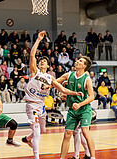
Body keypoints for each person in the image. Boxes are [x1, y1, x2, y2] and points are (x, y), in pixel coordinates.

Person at [21, 31, 82, 159]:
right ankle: (36, 157)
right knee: (37, 132)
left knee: (42, 131)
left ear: (48, 66)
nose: (42, 62)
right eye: (41, 61)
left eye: (44, 61)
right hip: (31, 106)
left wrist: (75, 93)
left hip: (41, 106)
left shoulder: (50, 78)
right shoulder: (34, 72)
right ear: (38, 64)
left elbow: (62, 90)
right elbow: (32, 55)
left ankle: (28, 138)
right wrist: (38, 40)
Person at [55, 55, 95, 159]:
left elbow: (91, 97)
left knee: (85, 132)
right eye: (78, 60)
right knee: (67, 134)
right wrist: (49, 86)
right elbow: (56, 81)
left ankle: (93, 157)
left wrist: (79, 104)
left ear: (84, 66)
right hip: (72, 111)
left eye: (80, 61)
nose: (77, 61)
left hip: (84, 109)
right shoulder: (69, 75)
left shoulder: (87, 79)